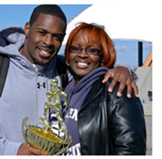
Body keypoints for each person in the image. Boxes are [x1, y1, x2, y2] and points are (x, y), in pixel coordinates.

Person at [0, 5, 138, 155]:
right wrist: (14, 151)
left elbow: (93, 67)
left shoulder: (63, 69)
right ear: (27, 29)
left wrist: (123, 70)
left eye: (57, 37)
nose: (49, 42)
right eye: (42, 32)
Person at [59, 23, 146, 155]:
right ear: (67, 55)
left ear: (103, 57)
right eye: (76, 48)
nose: (82, 55)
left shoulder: (117, 89)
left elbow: (131, 149)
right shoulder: (66, 89)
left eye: (92, 50)